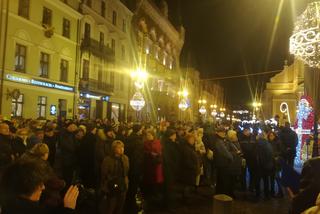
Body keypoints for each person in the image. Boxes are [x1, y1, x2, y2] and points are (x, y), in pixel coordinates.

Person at [0, 159, 79, 214]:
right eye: (39, 184)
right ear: (27, 187)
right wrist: (69, 209)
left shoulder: (9, 204)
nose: (43, 187)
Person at [100, 140, 129, 214]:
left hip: (123, 185)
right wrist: (109, 182)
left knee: (120, 206)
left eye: (122, 147)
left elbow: (126, 171)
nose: (121, 149)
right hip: (112, 186)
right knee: (111, 206)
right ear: (114, 149)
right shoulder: (107, 159)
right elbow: (104, 174)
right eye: (119, 147)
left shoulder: (125, 158)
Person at [143, 129, 163, 208]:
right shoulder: (145, 143)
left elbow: (160, 151)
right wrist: (150, 153)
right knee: (150, 180)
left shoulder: (157, 142)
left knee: (156, 179)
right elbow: (144, 152)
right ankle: (150, 195)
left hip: (156, 164)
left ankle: (156, 195)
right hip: (148, 164)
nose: (148, 136)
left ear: (153, 135)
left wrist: (157, 154)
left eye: (149, 135)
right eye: (147, 135)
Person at [213, 126, 234, 196]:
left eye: (224, 132)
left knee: (221, 179)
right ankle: (222, 194)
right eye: (222, 132)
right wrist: (231, 157)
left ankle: (219, 193)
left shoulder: (222, 139)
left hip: (221, 162)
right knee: (223, 179)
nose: (224, 133)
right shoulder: (218, 141)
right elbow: (224, 151)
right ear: (218, 133)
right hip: (222, 163)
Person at [255, 128, 273, 199]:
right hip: (267, 165)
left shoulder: (257, 144)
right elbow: (270, 154)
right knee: (266, 181)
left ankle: (258, 195)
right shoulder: (267, 144)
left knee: (258, 181)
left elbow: (256, 155)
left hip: (260, 165)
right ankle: (267, 195)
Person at [180, 134, 200, 199]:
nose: (193, 141)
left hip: (190, 170)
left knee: (188, 185)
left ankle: (186, 197)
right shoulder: (186, 148)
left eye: (194, 139)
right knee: (187, 185)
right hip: (188, 171)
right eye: (192, 139)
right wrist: (194, 167)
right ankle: (186, 198)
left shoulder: (190, 147)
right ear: (187, 140)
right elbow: (187, 161)